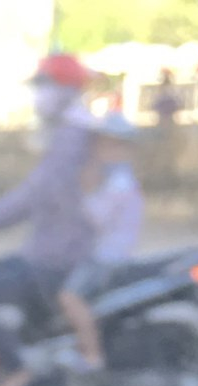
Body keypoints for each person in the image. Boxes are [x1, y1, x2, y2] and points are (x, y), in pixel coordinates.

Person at [0, 52, 97, 386]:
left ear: (67, 90)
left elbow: (33, 195)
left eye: (45, 86)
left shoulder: (73, 138)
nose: (38, 95)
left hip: (57, 258)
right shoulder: (66, 132)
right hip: (47, 250)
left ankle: (20, 365)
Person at [57, 113, 145, 371]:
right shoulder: (115, 177)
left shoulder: (119, 182)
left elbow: (94, 218)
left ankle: (92, 356)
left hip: (106, 256)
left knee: (69, 297)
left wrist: (83, 190)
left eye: (110, 144)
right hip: (101, 251)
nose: (100, 149)